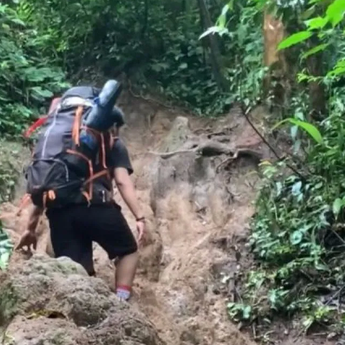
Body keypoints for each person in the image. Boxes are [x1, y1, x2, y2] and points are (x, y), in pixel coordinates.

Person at [16, 120, 145, 301]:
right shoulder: (112, 142)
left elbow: (42, 188)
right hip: (97, 208)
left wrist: (30, 229)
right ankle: (121, 301)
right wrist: (140, 217)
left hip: (60, 214)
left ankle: (81, 314)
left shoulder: (57, 148)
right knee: (128, 251)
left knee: (76, 273)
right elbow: (122, 181)